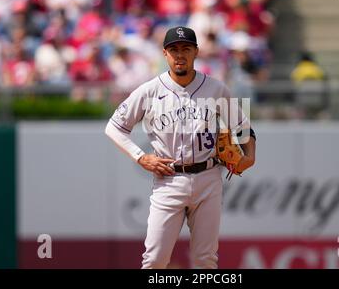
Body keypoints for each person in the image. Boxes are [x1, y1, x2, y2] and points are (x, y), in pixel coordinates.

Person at [105, 26, 256, 269]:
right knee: (154, 260)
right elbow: (113, 127)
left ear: (196, 52)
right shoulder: (149, 91)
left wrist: (250, 156)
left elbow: (243, 128)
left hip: (208, 178)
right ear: (165, 54)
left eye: (186, 49)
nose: (180, 55)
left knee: (205, 259)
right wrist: (140, 157)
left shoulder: (216, 89)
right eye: (174, 49)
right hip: (169, 179)